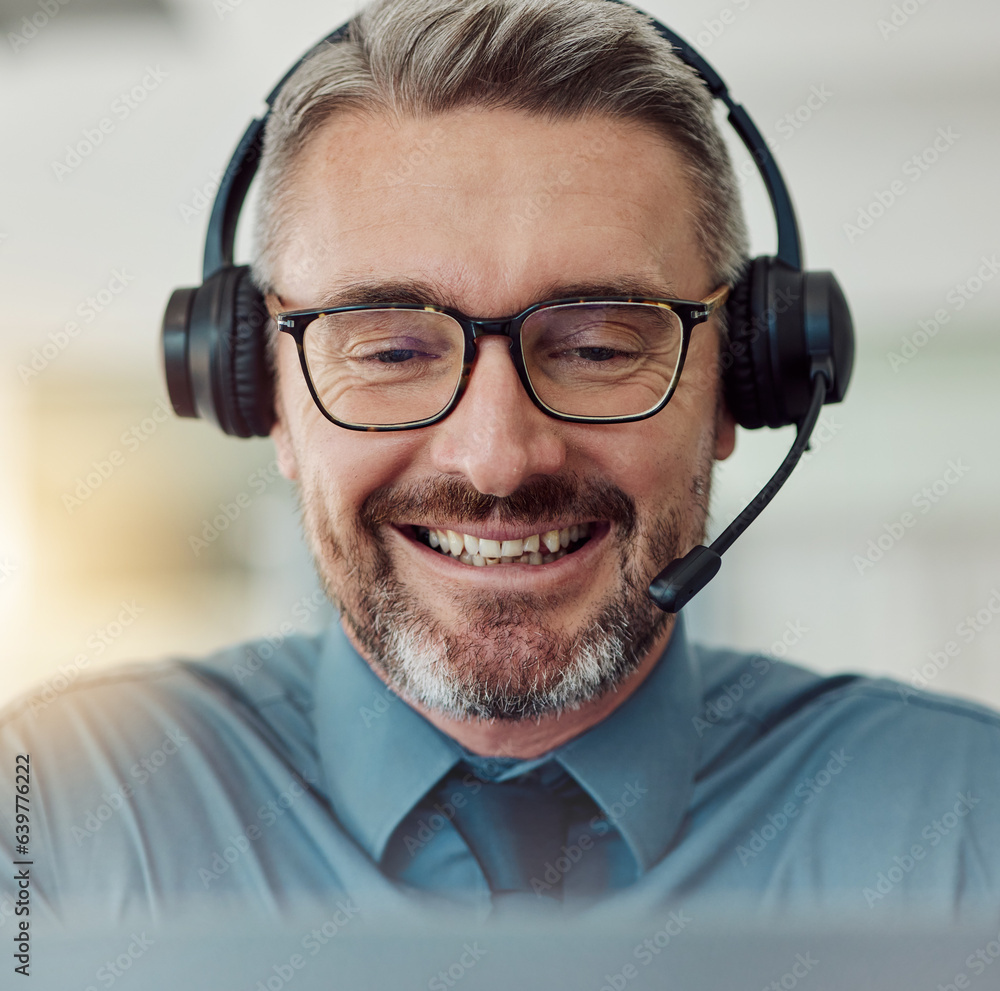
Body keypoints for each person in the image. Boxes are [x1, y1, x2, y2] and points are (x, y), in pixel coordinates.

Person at [2, 0, 998, 986]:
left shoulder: (970, 827)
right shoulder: (47, 824)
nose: (496, 459)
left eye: (601, 345)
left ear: (743, 380)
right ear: (260, 391)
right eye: (390, 348)